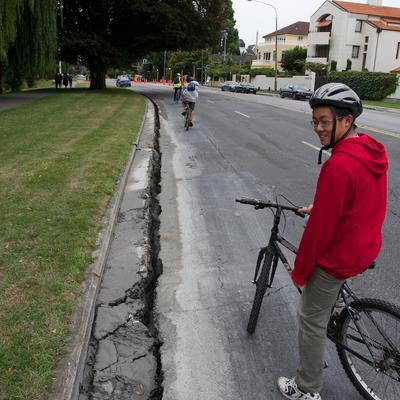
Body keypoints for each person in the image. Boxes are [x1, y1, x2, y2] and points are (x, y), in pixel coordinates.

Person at [278, 82, 388, 400]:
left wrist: (300, 271)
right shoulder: (370, 151)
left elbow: (318, 234)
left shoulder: (338, 165)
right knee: (322, 309)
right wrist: (323, 206)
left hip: (340, 256)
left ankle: (307, 388)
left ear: (346, 120)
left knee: (309, 320)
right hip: (365, 245)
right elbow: (361, 200)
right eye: (314, 120)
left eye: (325, 121)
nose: (318, 128)